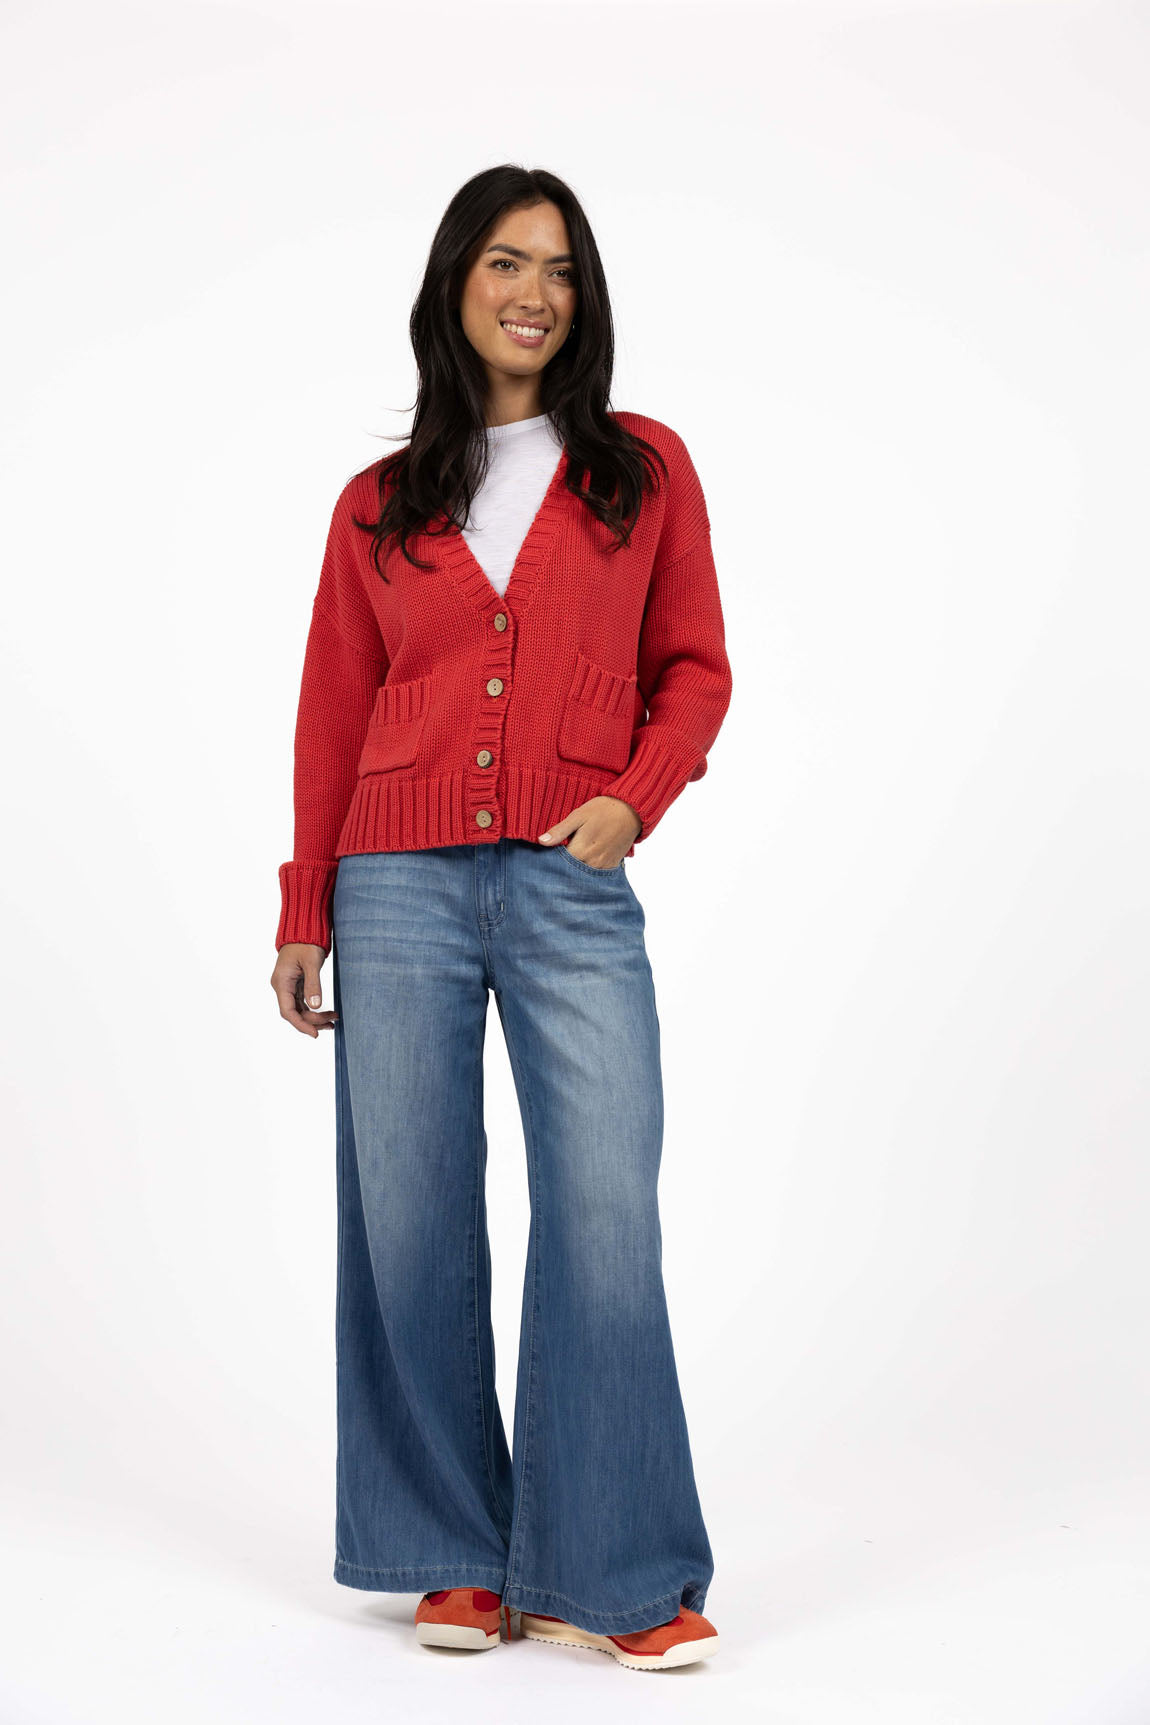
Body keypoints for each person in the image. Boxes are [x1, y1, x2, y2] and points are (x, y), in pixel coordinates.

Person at [269, 164, 733, 1673]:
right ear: (453, 285)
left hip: (567, 878)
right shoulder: (377, 501)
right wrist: (305, 901)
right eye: (505, 263)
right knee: (406, 1215)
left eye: (561, 269)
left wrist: (635, 799)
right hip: (392, 881)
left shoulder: (640, 469)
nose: (536, 293)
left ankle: (617, 1564)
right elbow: (333, 708)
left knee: (604, 1209)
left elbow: (696, 667)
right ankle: (450, 1551)